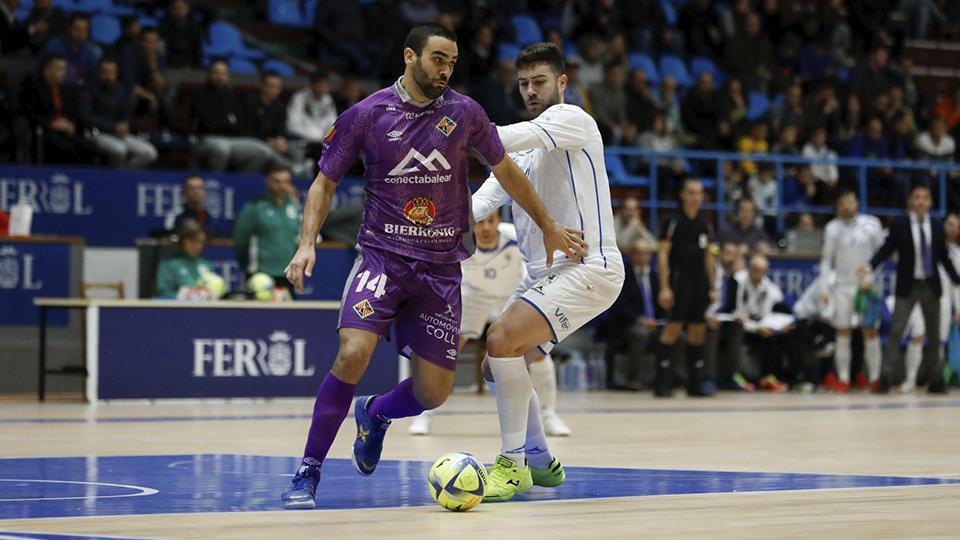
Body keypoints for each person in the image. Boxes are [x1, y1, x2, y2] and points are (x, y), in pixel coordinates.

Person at [279, 26, 584, 509]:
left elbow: (506, 171)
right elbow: (323, 183)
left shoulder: (466, 112)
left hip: (440, 271)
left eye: (452, 62)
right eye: (438, 58)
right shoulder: (367, 114)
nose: (445, 70)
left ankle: (375, 414)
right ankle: (308, 471)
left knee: (434, 393)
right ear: (410, 57)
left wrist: (547, 223)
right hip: (382, 258)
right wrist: (305, 243)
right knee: (352, 354)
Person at [466, 41, 625, 501]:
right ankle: (538, 458)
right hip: (544, 277)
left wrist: (449, 130)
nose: (531, 91)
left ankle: (512, 466)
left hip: (589, 266)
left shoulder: (573, 120)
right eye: (523, 84)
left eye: (539, 82)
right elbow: (481, 202)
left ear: (562, 82)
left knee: (501, 339)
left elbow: (501, 138)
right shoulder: (521, 154)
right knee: (497, 366)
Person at [408, 213, 572, 437]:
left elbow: (539, 265)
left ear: (498, 220)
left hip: (512, 296)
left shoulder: (515, 236)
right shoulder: (458, 242)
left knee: (539, 351)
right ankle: (423, 413)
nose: (486, 227)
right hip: (473, 298)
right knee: (444, 352)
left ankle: (548, 415)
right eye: (480, 222)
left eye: (491, 221)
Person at [866, 183, 960, 394]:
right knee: (896, 331)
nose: (920, 202)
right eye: (916, 197)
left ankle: (936, 381)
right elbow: (885, 250)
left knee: (934, 335)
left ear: (930, 202)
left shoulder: (936, 226)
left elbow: (943, 258)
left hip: (931, 285)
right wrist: (869, 266)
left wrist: (956, 279)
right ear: (910, 201)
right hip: (907, 286)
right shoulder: (900, 224)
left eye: (924, 198)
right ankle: (885, 379)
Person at [653, 178, 716, 398]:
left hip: (700, 281)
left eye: (699, 193)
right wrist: (664, 287)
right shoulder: (672, 221)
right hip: (679, 280)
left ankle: (694, 384)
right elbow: (662, 254)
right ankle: (661, 383)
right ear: (682, 195)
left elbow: (709, 256)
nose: (695, 197)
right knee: (673, 327)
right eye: (691, 192)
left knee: (698, 330)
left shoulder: (705, 224)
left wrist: (713, 286)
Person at [820, 191, 885, 392]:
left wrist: (870, 278)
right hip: (842, 286)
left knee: (870, 331)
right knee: (843, 331)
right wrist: (824, 287)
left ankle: (875, 378)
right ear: (838, 206)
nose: (847, 206)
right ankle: (844, 378)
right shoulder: (831, 228)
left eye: (851, 201)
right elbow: (826, 260)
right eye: (843, 202)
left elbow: (882, 254)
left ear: (857, 203)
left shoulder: (872, 224)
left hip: (867, 286)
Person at [191, 59, 276, 172]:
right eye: (216, 73)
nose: (220, 77)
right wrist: (229, 123)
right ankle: (216, 180)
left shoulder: (233, 96)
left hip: (233, 140)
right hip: (207, 139)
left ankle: (243, 180)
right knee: (222, 149)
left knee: (262, 151)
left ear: (228, 76)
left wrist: (227, 124)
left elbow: (241, 124)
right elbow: (208, 124)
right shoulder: (200, 95)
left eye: (224, 73)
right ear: (209, 74)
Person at [602, 237, 662, 390]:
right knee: (640, 334)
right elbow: (619, 305)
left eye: (647, 253)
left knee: (676, 335)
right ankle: (634, 379)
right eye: (640, 253)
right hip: (627, 324)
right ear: (632, 255)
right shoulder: (622, 274)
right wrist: (641, 320)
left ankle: (665, 379)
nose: (644, 257)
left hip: (653, 322)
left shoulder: (655, 274)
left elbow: (659, 302)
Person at [233, 166, 302, 297]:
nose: (282, 186)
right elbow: (240, 241)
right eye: (277, 181)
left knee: (288, 309)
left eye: (286, 182)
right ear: (268, 182)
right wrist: (248, 266)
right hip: (261, 274)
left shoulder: (295, 208)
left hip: (288, 275)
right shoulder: (255, 208)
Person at [78, 57, 157, 168]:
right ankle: (115, 176)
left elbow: (127, 114)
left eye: (112, 73)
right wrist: (113, 126)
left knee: (149, 153)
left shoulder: (122, 90)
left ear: (117, 74)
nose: (109, 77)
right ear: (98, 73)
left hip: (118, 133)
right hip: (96, 132)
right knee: (120, 150)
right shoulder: (89, 89)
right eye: (105, 72)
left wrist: (124, 125)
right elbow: (86, 116)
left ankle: (125, 174)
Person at [735, 255, 793, 392]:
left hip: (760, 326)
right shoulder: (738, 282)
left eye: (761, 270)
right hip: (740, 325)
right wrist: (756, 328)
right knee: (737, 331)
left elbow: (769, 314)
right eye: (754, 269)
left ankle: (769, 378)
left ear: (765, 272)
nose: (757, 273)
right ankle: (741, 377)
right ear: (749, 268)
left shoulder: (769, 288)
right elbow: (737, 313)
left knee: (774, 338)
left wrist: (774, 327)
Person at [17, 55, 83, 164]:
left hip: (66, 129)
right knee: (65, 147)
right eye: (59, 69)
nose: (63, 73)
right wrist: (51, 123)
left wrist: (71, 124)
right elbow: (29, 112)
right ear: (47, 71)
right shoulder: (34, 87)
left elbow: (75, 113)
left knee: (87, 145)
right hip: (45, 129)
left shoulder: (68, 90)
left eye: (64, 69)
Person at [704, 241, 752, 391]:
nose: (731, 259)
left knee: (737, 326)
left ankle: (730, 376)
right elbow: (696, 300)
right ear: (719, 255)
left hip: (723, 319)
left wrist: (738, 315)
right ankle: (708, 377)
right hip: (703, 319)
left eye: (734, 255)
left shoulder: (734, 281)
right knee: (713, 328)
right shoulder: (710, 273)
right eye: (728, 254)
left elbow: (733, 308)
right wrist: (706, 315)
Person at [154, 219, 222, 299]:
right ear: (182, 240)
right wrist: (183, 296)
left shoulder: (206, 264)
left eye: (201, 242)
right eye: (193, 241)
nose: (198, 246)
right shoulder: (168, 265)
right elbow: (163, 294)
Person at [286, 70, 339, 164]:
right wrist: (316, 138)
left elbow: (334, 125)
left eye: (326, 84)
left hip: (322, 143)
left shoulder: (328, 100)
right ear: (313, 84)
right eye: (321, 84)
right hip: (302, 142)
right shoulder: (299, 98)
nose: (324, 87)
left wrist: (326, 140)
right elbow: (292, 126)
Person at [41, 13, 101, 85]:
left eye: (84, 30)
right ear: (68, 28)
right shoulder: (53, 46)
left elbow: (93, 77)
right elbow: (46, 74)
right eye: (77, 30)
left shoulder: (92, 50)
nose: (81, 34)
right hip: (57, 86)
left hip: (80, 88)